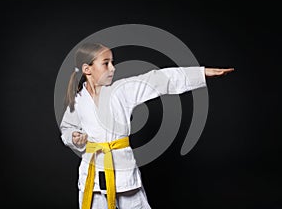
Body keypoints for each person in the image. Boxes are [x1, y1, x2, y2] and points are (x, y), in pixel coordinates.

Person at [59, 43, 234, 209]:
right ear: (87, 69)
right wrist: (74, 137)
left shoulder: (121, 90)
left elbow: (156, 80)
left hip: (122, 171)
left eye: (113, 62)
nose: (113, 68)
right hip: (93, 175)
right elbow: (67, 128)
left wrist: (201, 73)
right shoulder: (77, 101)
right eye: (106, 63)